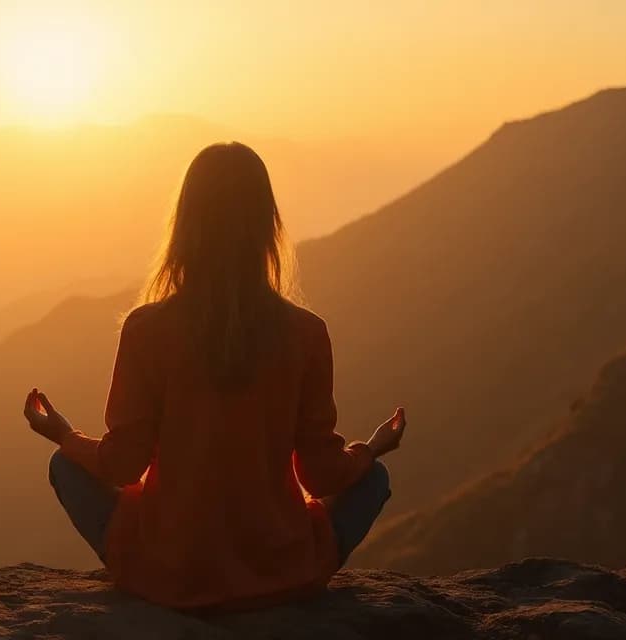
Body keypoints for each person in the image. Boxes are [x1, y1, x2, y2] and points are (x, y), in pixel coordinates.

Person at [21, 142, 408, 610]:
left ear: (186, 225)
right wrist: (372, 448)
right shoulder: (306, 334)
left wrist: (64, 434)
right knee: (374, 478)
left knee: (65, 465)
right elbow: (322, 474)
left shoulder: (148, 329)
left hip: (168, 573)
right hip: (280, 572)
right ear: (266, 227)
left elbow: (123, 465)